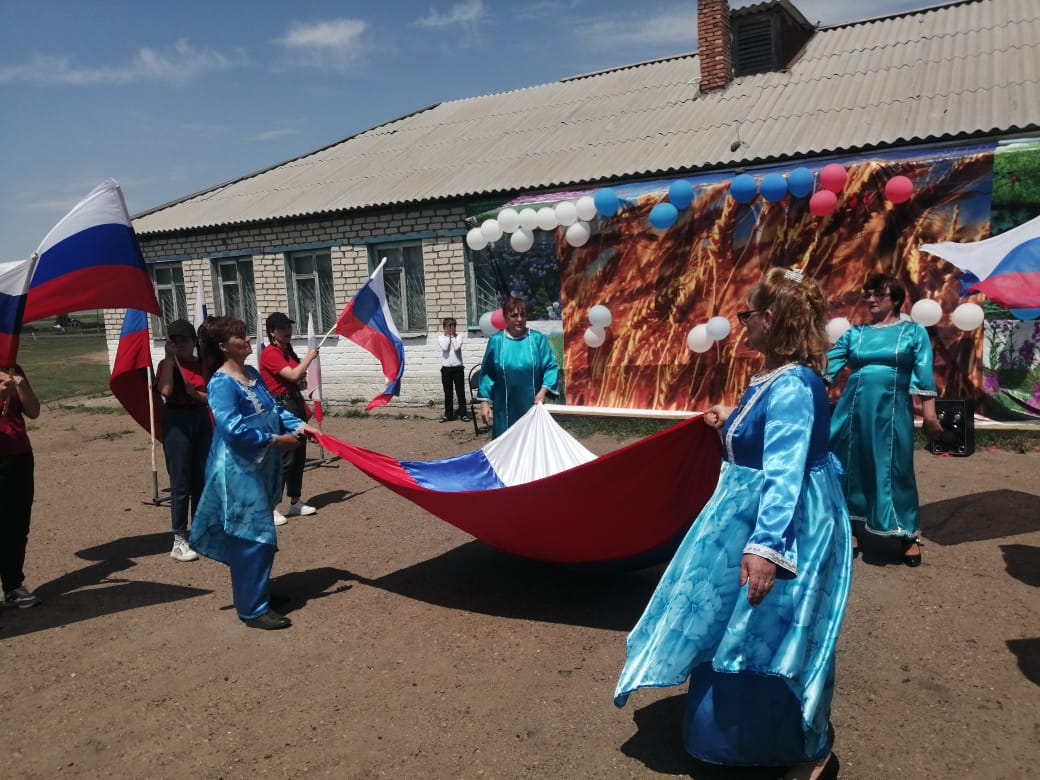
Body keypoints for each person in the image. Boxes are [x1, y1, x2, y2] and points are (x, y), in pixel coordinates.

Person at [614, 268, 852, 780]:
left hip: (782, 526)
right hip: (752, 516)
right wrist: (732, 416)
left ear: (770, 319)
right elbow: (767, 439)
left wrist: (766, 548)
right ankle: (737, 736)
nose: (741, 323)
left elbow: (785, 472)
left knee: (769, 629)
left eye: (748, 315)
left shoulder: (792, 384)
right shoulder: (778, 376)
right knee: (736, 625)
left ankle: (800, 745)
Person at [189, 316, 318, 630]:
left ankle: (258, 592)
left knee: (260, 532)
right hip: (236, 470)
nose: (247, 341)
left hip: (257, 465)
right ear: (223, 347)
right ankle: (252, 609)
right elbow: (232, 431)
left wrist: (300, 426)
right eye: (239, 337)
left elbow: (274, 410)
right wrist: (277, 440)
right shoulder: (221, 383)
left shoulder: (252, 375)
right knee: (252, 534)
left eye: (245, 335)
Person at [826, 273, 942, 566]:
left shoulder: (913, 332)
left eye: (879, 294)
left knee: (896, 468)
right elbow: (826, 367)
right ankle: (851, 527)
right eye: (868, 293)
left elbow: (924, 373)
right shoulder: (856, 333)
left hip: (892, 410)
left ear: (896, 300)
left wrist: (929, 415)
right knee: (850, 464)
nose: (871, 298)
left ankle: (907, 534)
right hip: (852, 410)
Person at [154, 319, 212, 562]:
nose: (179, 344)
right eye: (174, 340)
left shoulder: (203, 365)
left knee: (201, 477)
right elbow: (165, 392)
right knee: (180, 481)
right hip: (176, 419)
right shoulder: (165, 364)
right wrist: (169, 361)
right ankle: (179, 538)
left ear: (193, 341)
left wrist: (195, 393)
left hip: (200, 418)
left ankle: (198, 532)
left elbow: (212, 395)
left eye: (184, 340)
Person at [259, 312, 320, 525]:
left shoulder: (287, 351)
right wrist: (309, 358)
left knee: (299, 454)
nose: (287, 330)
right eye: (282, 327)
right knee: (285, 457)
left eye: (288, 326)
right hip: (280, 406)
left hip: (294, 402)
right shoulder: (270, 353)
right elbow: (293, 374)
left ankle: (295, 501)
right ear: (272, 332)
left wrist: (300, 383)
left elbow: (295, 379)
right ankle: (271, 506)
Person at [477, 297, 559, 438]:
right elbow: (487, 373)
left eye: (523, 315)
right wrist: (484, 403)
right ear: (505, 317)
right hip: (505, 410)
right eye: (514, 315)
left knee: (533, 447)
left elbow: (550, 366)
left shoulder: (537, 339)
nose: (519, 319)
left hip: (533, 405)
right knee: (506, 448)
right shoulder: (496, 341)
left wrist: (543, 391)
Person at [0, 365, 42, 609]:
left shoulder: (13, 368)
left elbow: (33, 411)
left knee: (18, 523)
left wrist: (20, 384)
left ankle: (13, 585)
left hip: (19, 455)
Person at [437, 317, 469, 423]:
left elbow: (456, 348)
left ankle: (463, 414)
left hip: (458, 368)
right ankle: (448, 415)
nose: (450, 328)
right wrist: (448, 337)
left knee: (460, 392)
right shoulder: (441, 338)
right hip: (446, 369)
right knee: (448, 393)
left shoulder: (459, 337)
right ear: (444, 327)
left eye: (452, 326)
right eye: (448, 326)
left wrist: (452, 337)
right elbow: (445, 348)